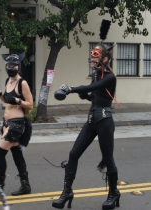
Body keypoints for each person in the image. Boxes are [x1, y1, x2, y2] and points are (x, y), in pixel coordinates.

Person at [53, 43, 121, 210]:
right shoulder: (97, 75)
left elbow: (92, 88)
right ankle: (67, 192)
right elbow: (94, 96)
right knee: (74, 153)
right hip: (92, 120)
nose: (92, 57)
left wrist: (71, 89)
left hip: (104, 121)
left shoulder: (109, 77)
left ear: (105, 58)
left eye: (96, 55)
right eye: (92, 54)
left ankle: (113, 193)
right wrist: (85, 96)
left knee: (108, 159)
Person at [0, 53, 33, 199]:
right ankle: (25, 185)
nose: (11, 67)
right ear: (6, 66)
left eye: (14, 65)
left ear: (19, 66)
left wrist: (18, 101)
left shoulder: (22, 83)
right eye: (9, 65)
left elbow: (30, 105)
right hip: (7, 124)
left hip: (17, 124)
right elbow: (7, 101)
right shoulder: (8, 81)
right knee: (17, 154)